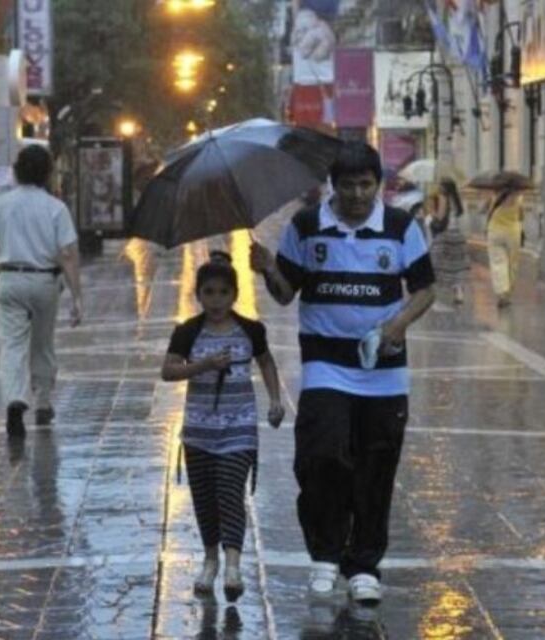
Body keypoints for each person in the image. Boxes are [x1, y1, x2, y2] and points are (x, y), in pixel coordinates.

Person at [249, 141, 436, 605]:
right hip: (326, 367)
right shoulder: (306, 226)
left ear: (378, 185)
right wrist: (268, 267)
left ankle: (364, 564)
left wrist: (398, 324)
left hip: (384, 372)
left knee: (376, 465)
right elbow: (286, 293)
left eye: (365, 185)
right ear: (333, 185)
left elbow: (425, 290)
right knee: (321, 456)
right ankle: (326, 553)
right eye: (348, 185)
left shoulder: (400, 227)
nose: (356, 194)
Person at [161, 260, 284, 602]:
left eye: (223, 293)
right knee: (205, 499)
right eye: (209, 293)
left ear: (235, 294)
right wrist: (203, 365)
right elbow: (168, 371)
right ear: (198, 294)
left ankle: (233, 566)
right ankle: (211, 559)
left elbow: (267, 362)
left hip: (239, 427)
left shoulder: (250, 330)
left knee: (231, 491)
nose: (216, 301)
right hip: (199, 431)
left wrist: (275, 400)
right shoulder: (188, 331)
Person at [0, 145, 83, 438]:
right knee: (42, 343)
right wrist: (77, 297)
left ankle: (15, 399)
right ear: (48, 173)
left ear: (17, 170)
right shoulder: (55, 208)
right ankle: (44, 401)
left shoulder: (0, 205)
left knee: (12, 344)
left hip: (9, 278)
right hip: (44, 282)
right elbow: (68, 254)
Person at [428, 178, 469, 304]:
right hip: (457, 235)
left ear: (444, 187)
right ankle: (459, 293)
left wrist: (431, 212)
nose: (439, 188)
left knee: (434, 263)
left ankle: (430, 292)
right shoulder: (456, 199)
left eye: (440, 185)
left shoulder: (443, 196)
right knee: (457, 266)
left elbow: (440, 216)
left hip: (444, 235)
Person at [486, 188, 523, 307]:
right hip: (512, 233)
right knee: (512, 263)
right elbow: (521, 215)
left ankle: (501, 292)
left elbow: (490, 213)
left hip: (495, 230)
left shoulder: (496, 195)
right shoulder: (519, 197)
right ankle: (508, 293)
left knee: (498, 262)